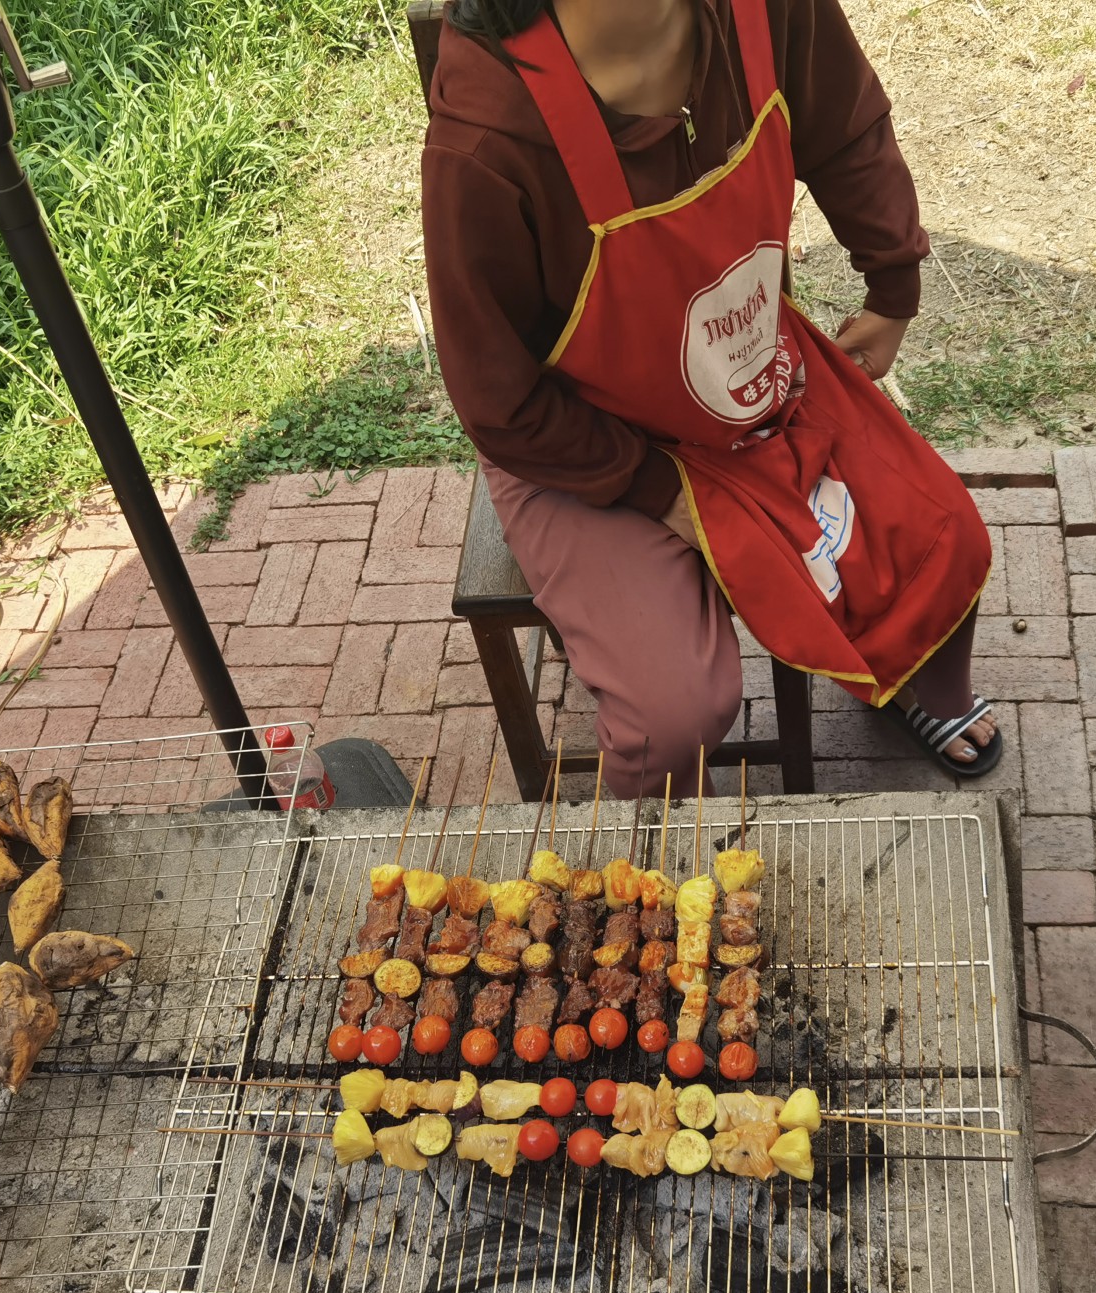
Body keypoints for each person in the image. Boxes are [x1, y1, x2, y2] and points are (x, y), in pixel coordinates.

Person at [422, 0, 999, 796]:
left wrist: (892, 282)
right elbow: (498, 400)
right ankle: (645, 870)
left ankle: (921, 689)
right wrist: (661, 494)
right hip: (583, 447)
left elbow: (846, 124)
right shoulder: (488, 137)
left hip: (749, 369)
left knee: (941, 538)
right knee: (674, 716)